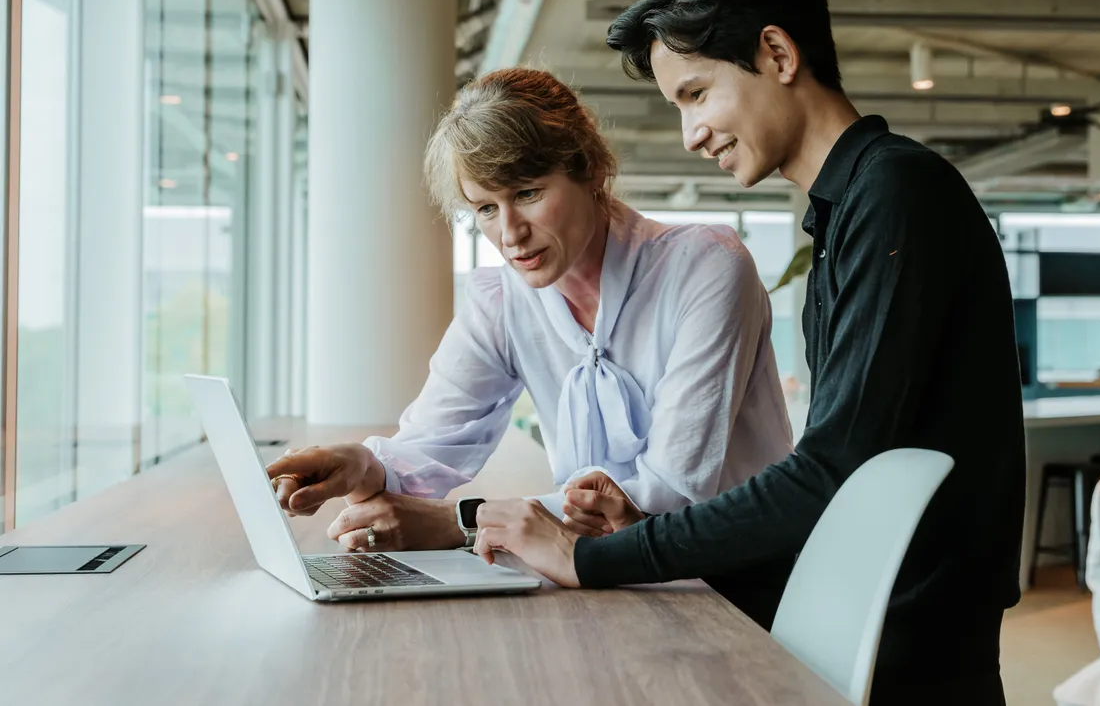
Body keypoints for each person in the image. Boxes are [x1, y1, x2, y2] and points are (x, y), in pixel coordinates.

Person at [470, 0, 1026, 706]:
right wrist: (631, 530)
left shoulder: (897, 195)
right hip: (868, 617)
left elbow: (831, 475)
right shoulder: (850, 212)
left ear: (776, 52)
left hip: (909, 652)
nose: (692, 133)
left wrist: (597, 556)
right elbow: (840, 485)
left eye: (697, 94)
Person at [265, 67, 793, 556]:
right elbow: (429, 446)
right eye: (486, 209)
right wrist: (358, 463)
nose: (511, 234)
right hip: (603, 580)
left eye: (529, 192)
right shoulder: (502, 301)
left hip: (730, 582)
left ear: (589, 170)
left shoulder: (706, 268)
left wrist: (464, 523)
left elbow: (670, 490)